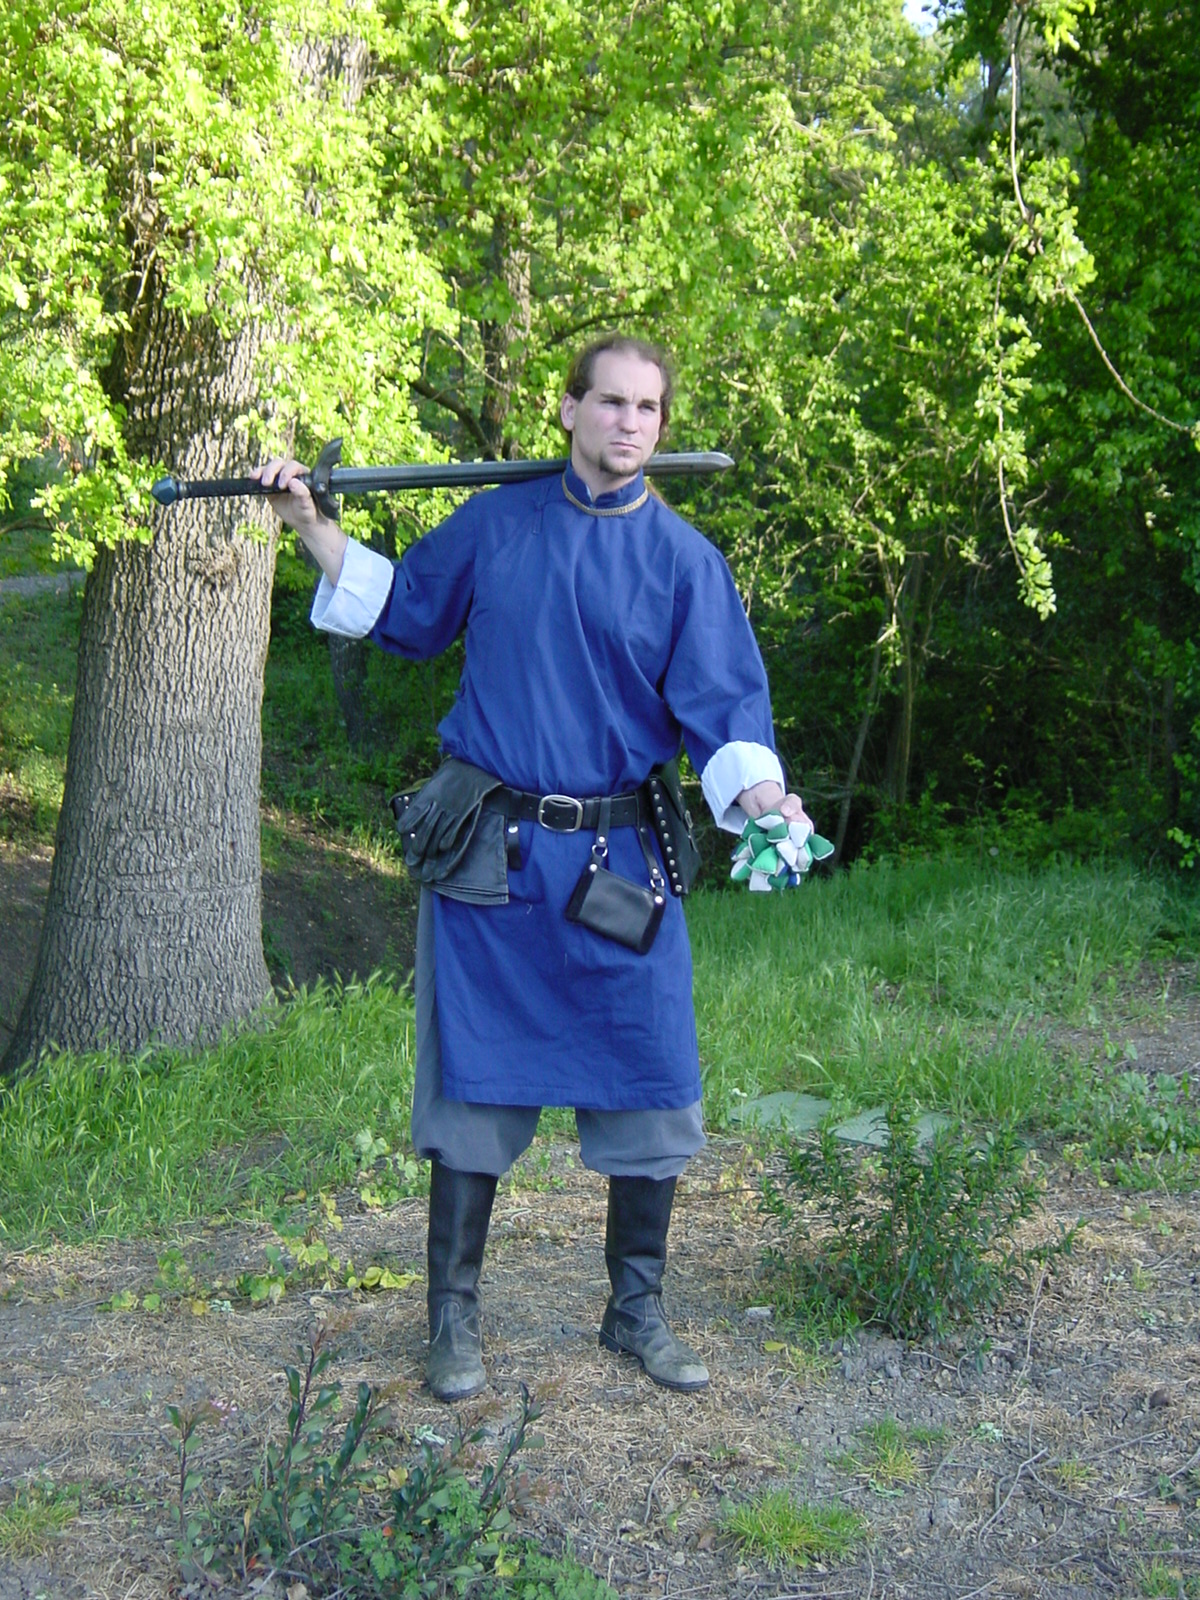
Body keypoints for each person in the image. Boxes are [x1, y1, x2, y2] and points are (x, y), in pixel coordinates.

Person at [254, 336, 810, 1402]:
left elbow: (726, 712)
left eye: (647, 407)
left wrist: (764, 803)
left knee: (651, 1077)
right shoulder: (497, 525)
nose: (629, 423)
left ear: (661, 422)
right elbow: (405, 610)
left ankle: (635, 1310)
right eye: (610, 402)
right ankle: (453, 1321)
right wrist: (310, 523)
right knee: (473, 1085)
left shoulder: (685, 563)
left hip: (622, 862)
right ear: (568, 410)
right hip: (494, 858)